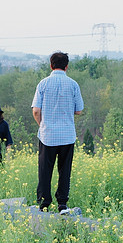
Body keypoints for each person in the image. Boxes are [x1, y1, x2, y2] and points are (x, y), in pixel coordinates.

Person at [31, 52, 84, 212]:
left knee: (45, 170)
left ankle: (44, 203)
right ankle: (62, 203)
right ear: (67, 66)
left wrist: (43, 125)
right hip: (67, 135)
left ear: (51, 65)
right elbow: (79, 110)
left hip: (47, 135)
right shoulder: (73, 84)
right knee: (64, 171)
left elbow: (35, 111)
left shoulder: (43, 84)